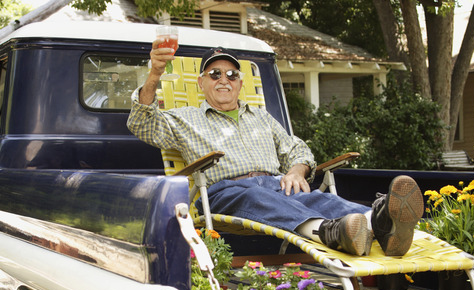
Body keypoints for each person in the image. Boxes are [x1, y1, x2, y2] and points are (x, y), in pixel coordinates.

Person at [127, 43, 423, 257]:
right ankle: (329, 232)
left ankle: (381, 222)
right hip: (226, 192)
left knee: (316, 198)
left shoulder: (261, 117)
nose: (223, 80)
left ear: (240, 84)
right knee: (257, 195)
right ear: (201, 81)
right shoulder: (184, 117)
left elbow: (296, 148)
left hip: (275, 184)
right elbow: (142, 123)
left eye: (231, 75)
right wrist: (155, 73)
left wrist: (296, 169)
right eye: (215, 73)